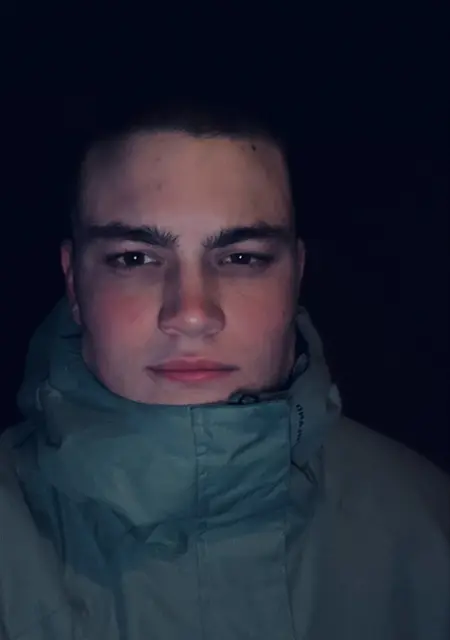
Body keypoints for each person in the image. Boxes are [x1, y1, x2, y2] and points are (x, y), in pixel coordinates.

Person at [0, 97, 448, 640]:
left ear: (296, 274)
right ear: (74, 282)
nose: (192, 314)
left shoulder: (426, 522)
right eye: (135, 258)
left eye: (242, 258)